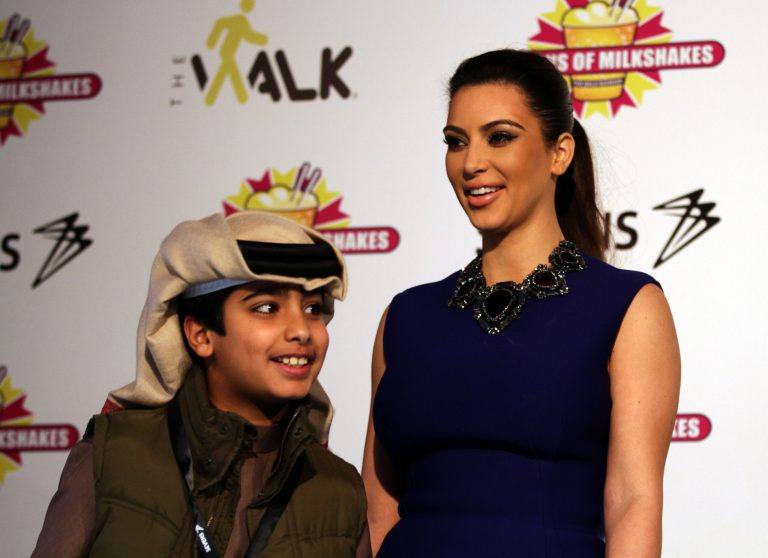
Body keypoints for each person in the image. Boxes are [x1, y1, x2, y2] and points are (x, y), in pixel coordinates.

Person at [362, 49, 680, 557]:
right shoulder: (405, 318)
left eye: (500, 137)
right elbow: (377, 512)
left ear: (560, 153)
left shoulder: (626, 307)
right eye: (455, 142)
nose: (471, 163)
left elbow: (633, 502)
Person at [33, 210, 370, 557]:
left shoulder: (339, 488)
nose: (301, 330)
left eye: (313, 308)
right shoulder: (112, 456)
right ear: (200, 335)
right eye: (267, 307)